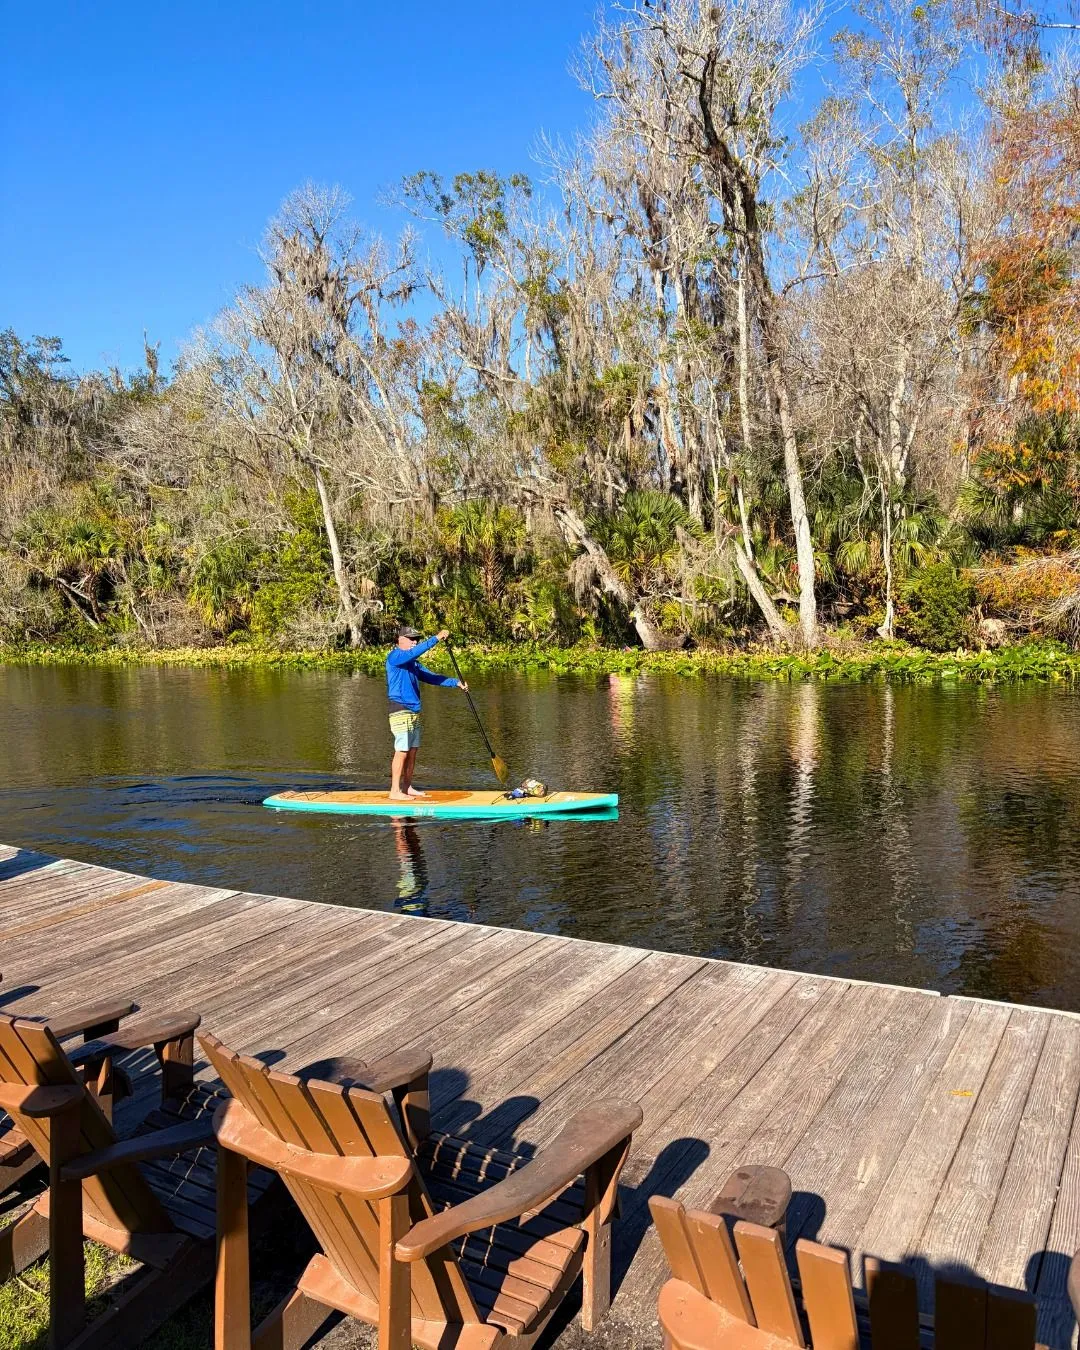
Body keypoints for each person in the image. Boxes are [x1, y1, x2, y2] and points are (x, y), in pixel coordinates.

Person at [385, 626, 467, 800]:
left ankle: (407, 787)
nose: (414, 641)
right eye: (411, 638)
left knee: (412, 751)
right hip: (400, 709)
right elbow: (414, 653)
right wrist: (436, 638)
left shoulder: (413, 664)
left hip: (414, 711)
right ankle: (394, 791)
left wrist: (456, 682)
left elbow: (432, 677)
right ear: (400, 639)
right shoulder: (395, 656)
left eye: (416, 638)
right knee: (402, 751)